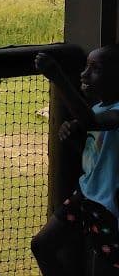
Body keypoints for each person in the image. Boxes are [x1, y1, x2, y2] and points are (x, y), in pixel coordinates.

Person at [32, 47, 119, 275]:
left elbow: (92, 122)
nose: (84, 74)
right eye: (86, 67)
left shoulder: (113, 112)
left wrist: (57, 76)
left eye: (95, 69)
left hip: (109, 208)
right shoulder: (98, 108)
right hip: (85, 196)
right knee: (42, 245)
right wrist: (74, 139)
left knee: (106, 266)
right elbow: (97, 159)